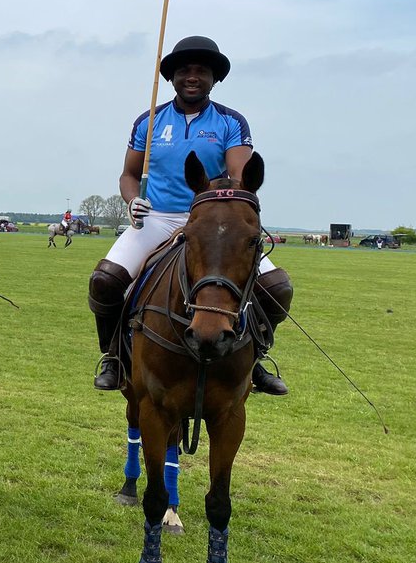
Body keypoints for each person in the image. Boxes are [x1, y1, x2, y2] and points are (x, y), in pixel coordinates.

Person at [87, 35, 293, 396]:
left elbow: (240, 176)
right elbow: (128, 175)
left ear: (214, 79)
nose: (192, 76)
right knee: (105, 281)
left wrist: (224, 205)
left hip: (212, 221)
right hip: (156, 217)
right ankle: (115, 357)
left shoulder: (230, 122)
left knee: (277, 288)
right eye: (184, 70)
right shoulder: (149, 120)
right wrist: (132, 200)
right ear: (172, 77)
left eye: (202, 71)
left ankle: (256, 356)